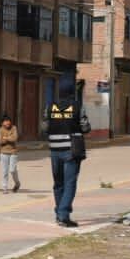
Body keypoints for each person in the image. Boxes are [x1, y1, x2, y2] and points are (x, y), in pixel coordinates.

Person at [44, 80, 89, 227]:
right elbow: (85, 127)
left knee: (58, 183)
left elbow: (44, 127)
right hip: (71, 150)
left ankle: (59, 214)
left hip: (54, 150)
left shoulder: (50, 107)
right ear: (72, 93)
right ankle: (63, 215)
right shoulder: (77, 106)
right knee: (70, 183)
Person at [0, 114, 22, 193]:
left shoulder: (14, 128)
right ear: (2, 123)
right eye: (5, 121)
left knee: (12, 170)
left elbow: (15, 138)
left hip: (13, 152)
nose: (7, 122)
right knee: (5, 171)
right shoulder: (1, 129)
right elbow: (0, 141)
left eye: (8, 121)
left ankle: (17, 183)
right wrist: (9, 138)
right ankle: (5, 187)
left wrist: (6, 138)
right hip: (3, 152)